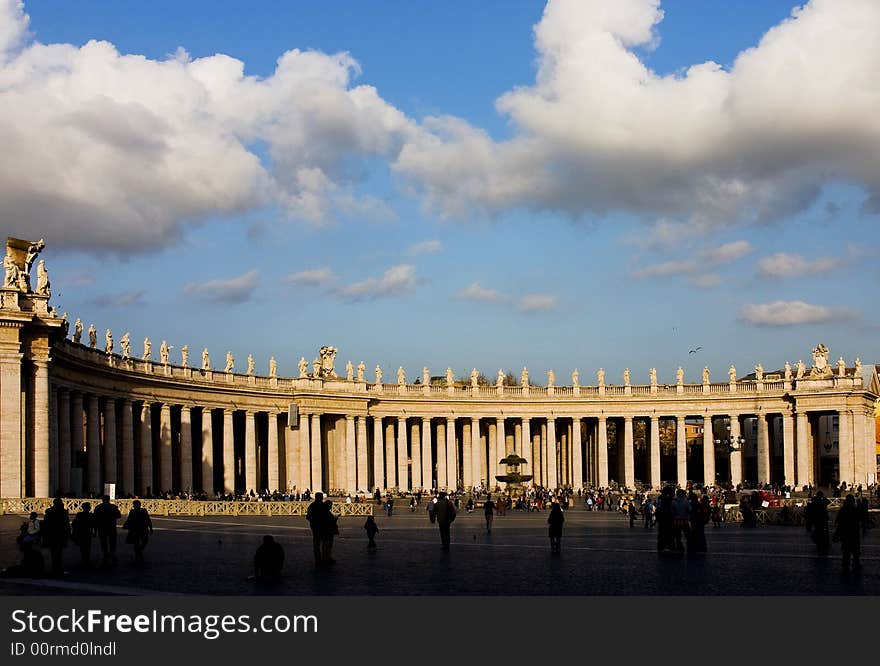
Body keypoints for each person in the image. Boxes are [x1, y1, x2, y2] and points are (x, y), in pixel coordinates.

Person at [833, 494, 863, 573]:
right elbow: (861, 518)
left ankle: (846, 566)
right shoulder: (855, 509)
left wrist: (837, 533)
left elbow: (839, 523)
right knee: (855, 551)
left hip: (845, 534)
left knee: (846, 551)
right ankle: (856, 564)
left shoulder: (843, 510)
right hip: (854, 534)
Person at [42, 497, 70, 576]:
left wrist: (45, 536)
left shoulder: (49, 512)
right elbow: (66, 525)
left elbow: (45, 525)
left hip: (51, 534)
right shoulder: (63, 512)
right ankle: (58, 568)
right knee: (59, 552)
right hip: (60, 534)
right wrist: (68, 534)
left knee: (53, 552)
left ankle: (54, 567)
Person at [93, 494, 122, 566]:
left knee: (103, 542)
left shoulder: (98, 507)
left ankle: (105, 554)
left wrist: (95, 531)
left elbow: (95, 519)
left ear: (102, 500)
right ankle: (112, 553)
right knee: (112, 541)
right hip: (111, 526)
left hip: (101, 527)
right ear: (109, 499)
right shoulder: (113, 506)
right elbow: (119, 516)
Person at [123, 499, 153, 564]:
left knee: (139, 542)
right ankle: (139, 553)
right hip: (141, 528)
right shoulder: (141, 511)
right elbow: (148, 519)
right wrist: (150, 528)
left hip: (137, 529)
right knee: (142, 541)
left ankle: (138, 552)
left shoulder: (138, 511)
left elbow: (129, 520)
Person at [804, 490, 830, 556]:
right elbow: (828, 502)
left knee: (818, 531)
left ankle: (820, 544)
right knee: (823, 532)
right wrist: (824, 498)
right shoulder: (822, 502)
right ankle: (824, 543)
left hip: (817, 519)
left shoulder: (814, 501)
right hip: (822, 519)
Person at [306, 492, 329, 566]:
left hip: (315, 527)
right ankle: (325, 559)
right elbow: (327, 516)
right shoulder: (323, 506)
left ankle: (317, 559)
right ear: (321, 497)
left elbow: (308, 516)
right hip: (323, 527)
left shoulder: (312, 505)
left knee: (316, 544)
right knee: (325, 543)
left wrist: (312, 522)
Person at [71, 502, 96, 567]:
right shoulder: (91, 515)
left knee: (83, 546)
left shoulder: (79, 514)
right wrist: (94, 532)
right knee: (87, 546)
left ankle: (84, 559)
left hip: (81, 532)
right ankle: (86, 559)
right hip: (88, 532)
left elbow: (74, 523)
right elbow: (94, 524)